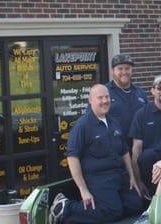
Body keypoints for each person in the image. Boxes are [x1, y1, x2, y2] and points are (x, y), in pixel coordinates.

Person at [49, 84, 143, 224]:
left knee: (135, 205)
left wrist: (132, 177)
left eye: (107, 97)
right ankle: (64, 208)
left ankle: (103, 212)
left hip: (118, 175)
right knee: (112, 211)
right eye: (100, 98)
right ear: (90, 101)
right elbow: (72, 157)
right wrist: (83, 189)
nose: (105, 101)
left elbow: (124, 152)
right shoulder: (82, 126)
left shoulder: (114, 123)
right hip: (98, 178)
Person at [104, 54, 148, 148]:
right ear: (112, 71)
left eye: (127, 68)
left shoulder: (140, 93)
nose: (124, 72)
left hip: (140, 147)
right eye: (120, 69)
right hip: (115, 149)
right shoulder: (104, 92)